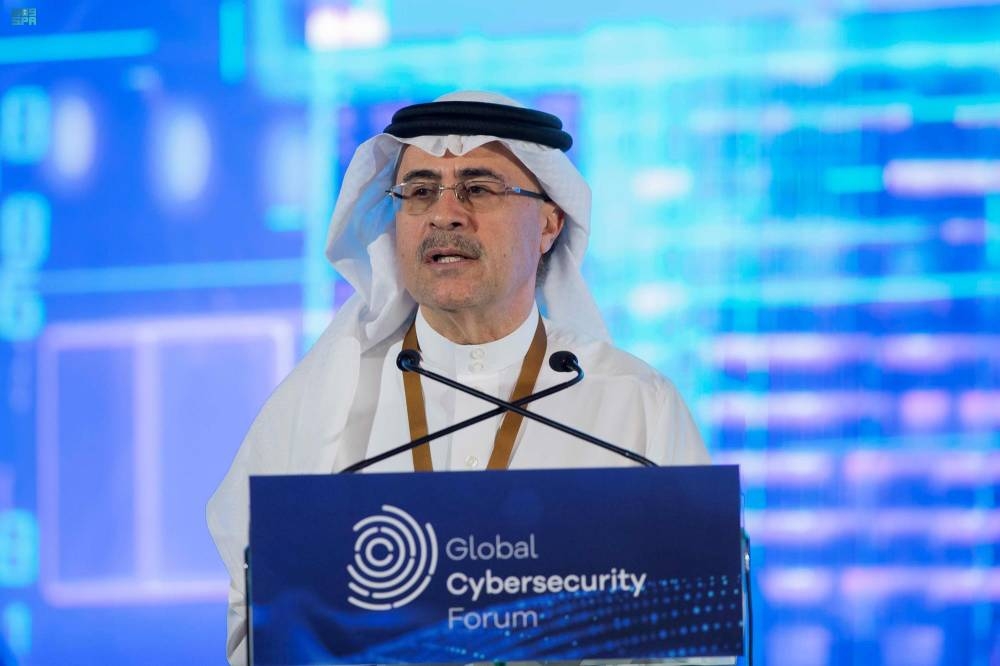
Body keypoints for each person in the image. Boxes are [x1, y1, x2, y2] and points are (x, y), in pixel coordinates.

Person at [207, 91, 712, 665]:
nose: (445, 213)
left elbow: (694, 644)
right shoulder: (318, 406)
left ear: (549, 223)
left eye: (479, 188)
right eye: (420, 191)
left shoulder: (636, 408)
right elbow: (259, 625)